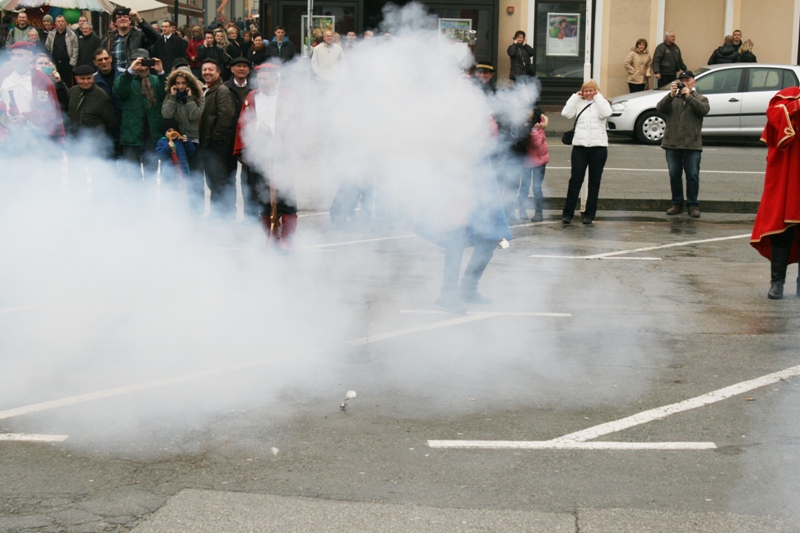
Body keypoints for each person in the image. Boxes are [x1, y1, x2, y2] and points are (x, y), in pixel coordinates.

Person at [233, 63, 299, 249]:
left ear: (276, 79)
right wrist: (256, 128)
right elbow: (244, 122)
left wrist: (272, 129)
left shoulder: (287, 98)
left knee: (285, 197)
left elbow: (294, 123)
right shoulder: (252, 97)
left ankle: (287, 239)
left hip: (282, 154)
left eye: (266, 78)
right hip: (259, 153)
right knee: (262, 196)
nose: (262, 82)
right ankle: (269, 236)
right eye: (260, 78)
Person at [751, 87, 800, 299]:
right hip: (786, 177)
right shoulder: (788, 97)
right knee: (782, 230)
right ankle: (777, 282)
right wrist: (796, 106)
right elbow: (774, 115)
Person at [656, 71, 710, 218]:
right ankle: (677, 204)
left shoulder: (700, 98)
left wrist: (689, 96)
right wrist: (671, 95)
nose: (684, 83)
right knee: (674, 175)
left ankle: (693, 205)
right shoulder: (673, 98)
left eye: (687, 80)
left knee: (692, 175)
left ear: (693, 82)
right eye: (682, 81)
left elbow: (704, 110)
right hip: (672, 143)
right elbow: (660, 108)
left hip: (692, 144)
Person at [560, 80, 612, 225]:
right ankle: (568, 213)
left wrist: (598, 97)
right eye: (586, 91)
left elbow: (607, 113)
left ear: (596, 91)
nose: (588, 93)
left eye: (591, 90)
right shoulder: (579, 103)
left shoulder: (602, 103)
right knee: (575, 181)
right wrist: (575, 97)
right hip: (580, 147)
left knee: (594, 182)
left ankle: (590, 214)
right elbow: (566, 113)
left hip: (598, 147)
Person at [114, 49, 166, 181]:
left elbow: (166, 93)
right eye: (137, 61)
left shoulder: (156, 80)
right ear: (131, 62)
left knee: (151, 175)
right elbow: (118, 90)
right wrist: (130, 71)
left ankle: (149, 195)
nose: (141, 65)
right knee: (131, 176)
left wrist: (161, 72)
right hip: (131, 135)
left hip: (152, 134)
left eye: (144, 61)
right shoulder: (126, 79)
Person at [0, 41, 64, 148]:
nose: (15, 59)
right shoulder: (3, 75)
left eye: (19, 55)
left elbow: (50, 111)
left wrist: (27, 118)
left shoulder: (42, 79)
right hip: (6, 134)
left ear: (30, 57)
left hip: (34, 136)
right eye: (13, 55)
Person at [162, 67, 204, 211]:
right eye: (178, 83)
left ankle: (196, 210)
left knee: (195, 176)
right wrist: (173, 97)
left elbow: (194, 116)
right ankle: (179, 210)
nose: (180, 86)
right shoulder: (171, 96)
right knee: (178, 177)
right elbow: (166, 114)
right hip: (177, 141)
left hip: (193, 140)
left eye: (184, 83)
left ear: (190, 83)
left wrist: (190, 98)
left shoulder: (199, 96)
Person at [199, 58, 236, 217]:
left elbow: (225, 117)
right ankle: (218, 215)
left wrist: (215, 139)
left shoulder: (222, 90)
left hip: (217, 144)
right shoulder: (205, 89)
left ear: (218, 72)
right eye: (204, 69)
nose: (207, 72)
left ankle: (222, 217)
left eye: (210, 70)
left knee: (218, 181)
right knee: (212, 181)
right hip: (208, 143)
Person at [66, 64, 116, 159]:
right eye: (82, 79)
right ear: (76, 79)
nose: (86, 82)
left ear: (93, 78)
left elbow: (110, 122)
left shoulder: (101, 95)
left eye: (89, 78)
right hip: (74, 142)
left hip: (95, 143)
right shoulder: (72, 92)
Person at [104, 7, 160, 72]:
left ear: (130, 20)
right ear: (115, 22)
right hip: (115, 75)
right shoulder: (108, 38)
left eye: (126, 16)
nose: (123, 18)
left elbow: (154, 37)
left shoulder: (139, 35)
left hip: (135, 74)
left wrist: (139, 19)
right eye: (119, 17)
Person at [521, 109, 549, 222]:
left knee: (537, 188)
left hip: (539, 161)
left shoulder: (539, 126)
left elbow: (537, 144)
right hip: (526, 161)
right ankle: (522, 211)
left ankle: (539, 213)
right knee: (524, 187)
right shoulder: (521, 124)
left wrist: (533, 130)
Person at [156, 118, 195, 187]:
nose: (172, 133)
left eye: (174, 130)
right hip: (168, 173)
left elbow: (191, 151)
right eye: (169, 131)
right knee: (170, 190)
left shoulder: (181, 140)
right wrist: (168, 147)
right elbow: (160, 155)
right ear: (165, 133)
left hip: (183, 171)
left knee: (184, 189)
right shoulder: (162, 141)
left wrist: (187, 142)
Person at [45, 16, 79, 88]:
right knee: (54, 82)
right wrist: (49, 61)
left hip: (67, 63)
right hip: (54, 63)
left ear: (66, 23)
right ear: (55, 23)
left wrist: (72, 63)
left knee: (67, 83)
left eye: (62, 21)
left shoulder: (72, 35)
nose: (61, 23)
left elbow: (75, 49)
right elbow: (47, 47)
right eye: (58, 21)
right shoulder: (51, 34)